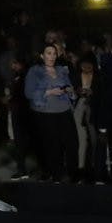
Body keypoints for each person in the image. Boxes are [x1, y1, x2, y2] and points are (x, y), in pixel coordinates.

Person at [24, 44, 79, 183]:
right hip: (46, 113)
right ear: (42, 55)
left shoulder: (61, 70)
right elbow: (29, 93)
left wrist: (70, 90)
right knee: (52, 145)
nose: (52, 56)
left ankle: (72, 174)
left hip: (64, 110)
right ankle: (57, 175)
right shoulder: (35, 71)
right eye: (48, 53)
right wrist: (49, 92)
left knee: (72, 143)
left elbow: (70, 87)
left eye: (54, 53)